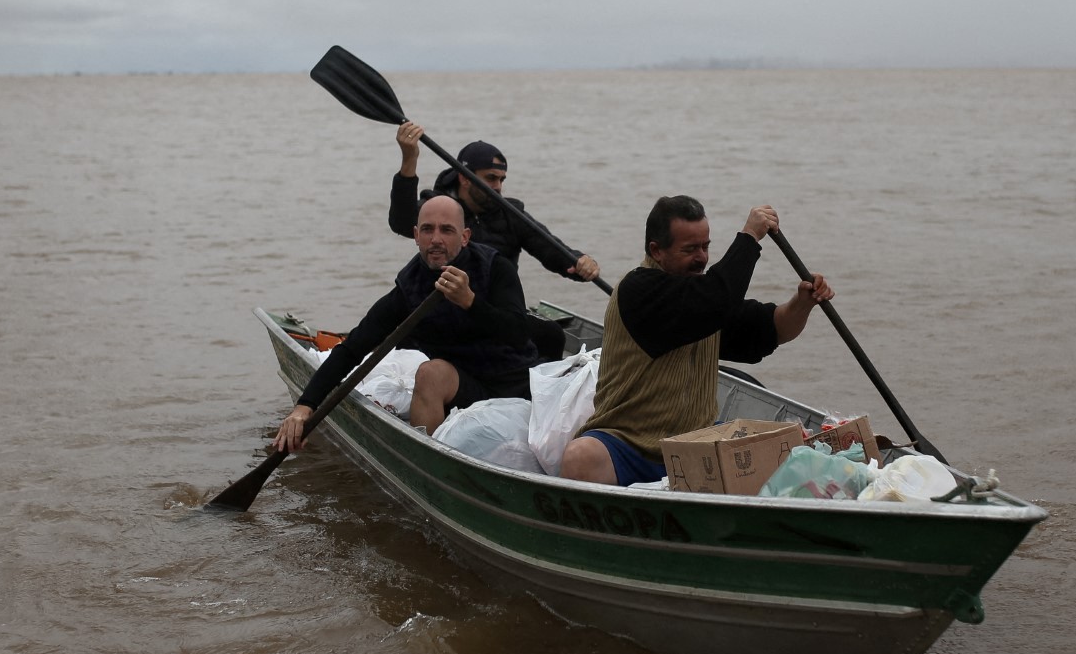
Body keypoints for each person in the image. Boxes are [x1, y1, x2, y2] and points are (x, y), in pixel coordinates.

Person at [557, 196, 833, 486]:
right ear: (657, 251)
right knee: (580, 456)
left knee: (780, 447)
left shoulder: (706, 299)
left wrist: (803, 303)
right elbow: (715, 300)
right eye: (690, 249)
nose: (702, 257)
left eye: (705, 246)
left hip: (695, 443)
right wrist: (749, 237)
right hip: (630, 446)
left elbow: (770, 330)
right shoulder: (639, 290)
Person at [274, 194, 537, 448]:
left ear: (465, 237)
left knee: (433, 371)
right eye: (427, 230)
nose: (436, 239)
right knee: (430, 373)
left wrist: (470, 302)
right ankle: (431, 459)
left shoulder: (495, 268)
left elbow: (517, 334)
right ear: (415, 236)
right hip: (461, 388)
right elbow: (353, 348)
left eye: (447, 230)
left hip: (511, 384)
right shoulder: (410, 287)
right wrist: (305, 406)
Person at [388, 125, 599, 360]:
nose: (498, 186)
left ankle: (535, 390)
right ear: (464, 178)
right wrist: (409, 159)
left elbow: (549, 248)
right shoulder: (440, 210)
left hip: (494, 314)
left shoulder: (510, 214)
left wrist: (580, 263)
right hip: (443, 310)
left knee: (551, 335)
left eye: (501, 179)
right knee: (407, 339)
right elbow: (401, 222)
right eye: (490, 178)